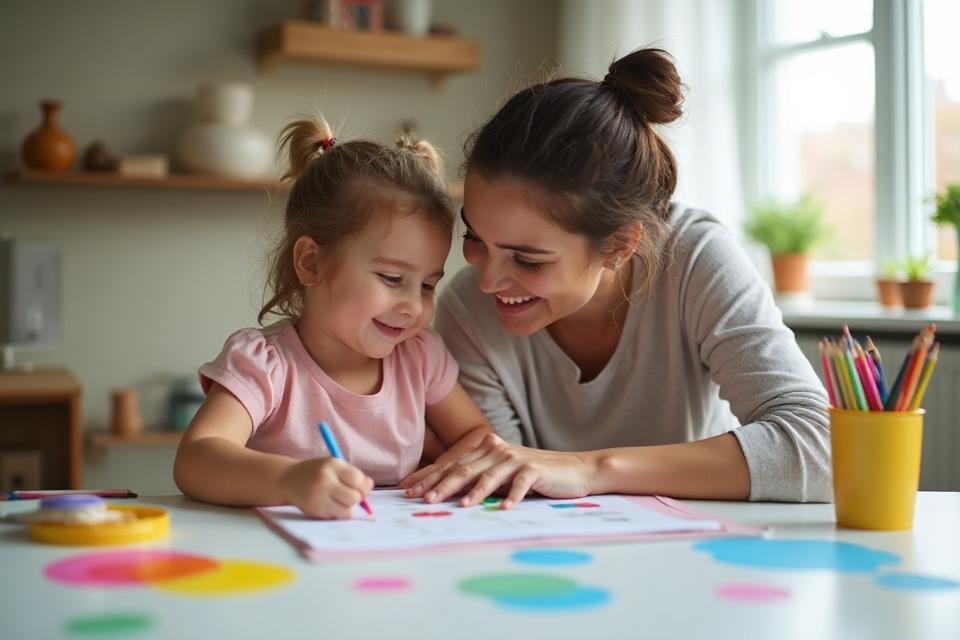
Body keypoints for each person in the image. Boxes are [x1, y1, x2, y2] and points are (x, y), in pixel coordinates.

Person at [400, 48, 830, 509]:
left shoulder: (695, 259)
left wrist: (591, 469)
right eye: (476, 238)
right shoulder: (469, 310)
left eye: (528, 260)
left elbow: (822, 450)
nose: (488, 281)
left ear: (620, 245)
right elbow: (504, 485)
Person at [174, 115, 492, 519]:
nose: (414, 305)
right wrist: (290, 482)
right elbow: (196, 458)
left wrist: (439, 474)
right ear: (311, 262)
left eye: (427, 285)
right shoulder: (265, 364)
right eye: (393, 278)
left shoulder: (419, 358)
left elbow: (477, 436)